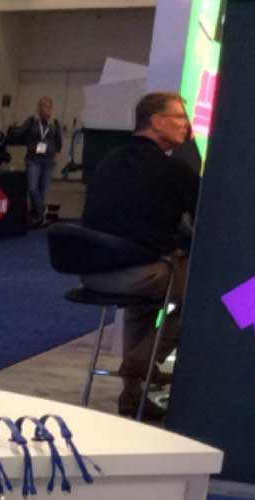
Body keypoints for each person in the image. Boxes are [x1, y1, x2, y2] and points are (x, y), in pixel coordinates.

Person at [80, 91, 200, 420]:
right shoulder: (173, 170)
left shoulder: (108, 162)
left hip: (92, 273)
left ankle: (133, 397)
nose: (187, 125)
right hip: (139, 274)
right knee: (208, 292)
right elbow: (207, 220)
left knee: (143, 303)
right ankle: (140, 363)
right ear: (157, 122)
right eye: (180, 117)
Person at [14, 97, 63, 227]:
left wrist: (56, 152)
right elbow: (20, 132)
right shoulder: (32, 120)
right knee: (32, 188)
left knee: (42, 190)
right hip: (33, 159)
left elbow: (59, 140)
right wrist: (19, 130)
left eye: (49, 106)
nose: (46, 109)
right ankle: (42, 214)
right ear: (39, 107)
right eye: (43, 106)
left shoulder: (55, 122)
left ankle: (36, 217)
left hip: (48, 160)